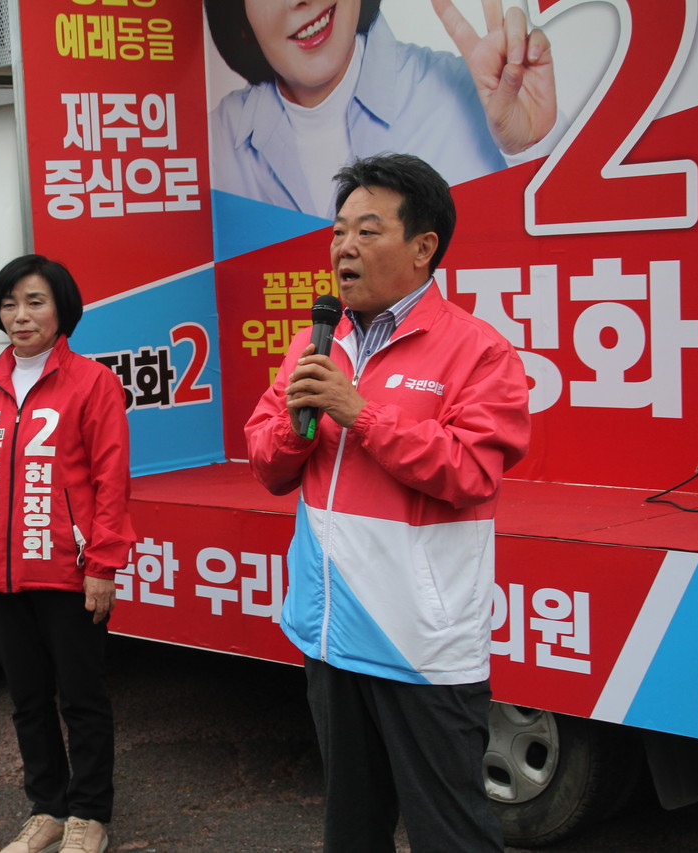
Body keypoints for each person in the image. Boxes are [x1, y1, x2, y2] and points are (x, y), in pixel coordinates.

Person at [244, 154, 530, 852]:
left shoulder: (479, 352)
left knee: (451, 832)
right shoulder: (318, 342)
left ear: (423, 246)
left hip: (420, 646)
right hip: (330, 633)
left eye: (367, 231)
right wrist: (298, 420)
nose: (344, 247)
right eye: (338, 231)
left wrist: (360, 411)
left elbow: (468, 472)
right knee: (351, 828)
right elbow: (268, 464)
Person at [0, 255, 135, 853]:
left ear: (62, 310)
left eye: (35, 301)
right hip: (3, 580)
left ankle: (89, 815)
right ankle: (47, 810)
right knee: (27, 702)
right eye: (9, 303)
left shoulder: (93, 383)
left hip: (68, 575)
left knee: (81, 698)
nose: (20, 315)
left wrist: (102, 566)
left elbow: (111, 483)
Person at [206, 0, 560, 218]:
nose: (301, 0)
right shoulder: (216, 139)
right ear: (238, 15)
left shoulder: (468, 93)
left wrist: (532, 145)